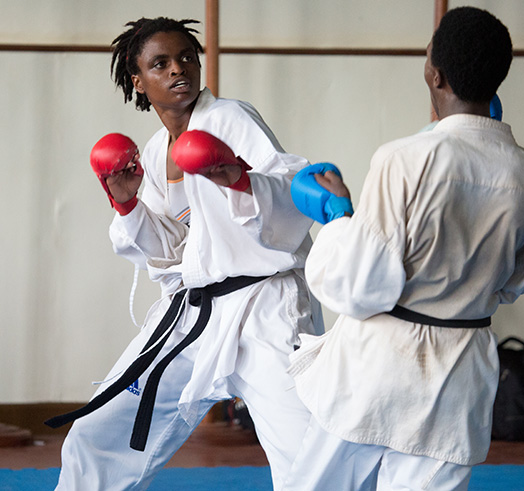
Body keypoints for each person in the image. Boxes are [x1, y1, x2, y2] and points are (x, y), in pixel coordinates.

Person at [283, 7, 524, 491]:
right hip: (461, 373)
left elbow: (361, 288)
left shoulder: (403, 158)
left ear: (434, 73)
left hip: (375, 369)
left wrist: (339, 219)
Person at [50, 17, 323, 491]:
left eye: (185, 58)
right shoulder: (155, 153)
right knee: (100, 432)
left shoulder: (230, 118)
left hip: (265, 308)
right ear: (139, 81)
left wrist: (237, 178)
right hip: (192, 315)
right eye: (161, 63)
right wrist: (127, 201)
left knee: (309, 456)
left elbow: (292, 193)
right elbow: (173, 250)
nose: (179, 69)